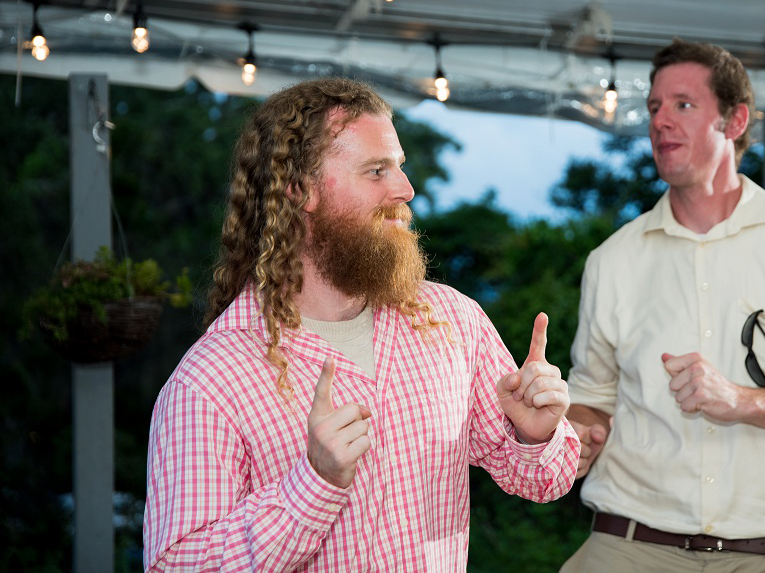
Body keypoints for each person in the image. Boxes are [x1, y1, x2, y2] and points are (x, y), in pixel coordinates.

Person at [143, 77, 580, 572]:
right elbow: (175, 565)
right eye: (376, 171)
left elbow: (544, 480)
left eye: (399, 167)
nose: (405, 189)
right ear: (300, 190)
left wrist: (535, 437)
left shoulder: (451, 321)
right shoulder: (212, 379)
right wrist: (313, 484)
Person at [561, 40, 765, 572]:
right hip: (630, 544)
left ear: (735, 120)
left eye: (683, 105)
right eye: (653, 108)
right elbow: (592, 400)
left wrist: (742, 401)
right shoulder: (612, 259)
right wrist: (570, 433)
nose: (660, 122)